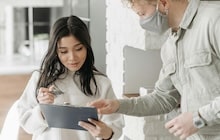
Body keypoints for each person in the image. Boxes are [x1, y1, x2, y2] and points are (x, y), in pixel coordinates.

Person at [89, 0, 220, 140]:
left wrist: (198, 118)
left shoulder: (214, 19)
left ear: (163, 3)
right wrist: (118, 105)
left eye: (142, 13)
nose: (143, 21)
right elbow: (163, 98)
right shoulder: (170, 46)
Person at [16, 15, 124, 140]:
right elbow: (27, 124)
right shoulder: (40, 79)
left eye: (78, 49)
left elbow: (116, 128)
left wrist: (106, 133)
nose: (72, 57)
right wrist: (42, 109)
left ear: (87, 47)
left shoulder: (101, 83)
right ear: (55, 51)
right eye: (63, 51)